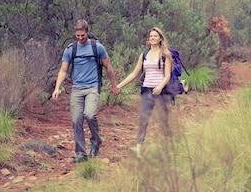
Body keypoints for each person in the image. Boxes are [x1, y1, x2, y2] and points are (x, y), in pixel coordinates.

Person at [52, 20, 119, 163]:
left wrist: (114, 86)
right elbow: (63, 70)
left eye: (82, 35)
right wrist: (57, 88)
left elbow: (108, 68)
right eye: (77, 35)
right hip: (77, 89)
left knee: (89, 114)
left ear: (87, 32)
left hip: (92, 87)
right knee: (76, 120)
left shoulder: (97, 47)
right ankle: (81, 154)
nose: (80, 38)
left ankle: (96, 142)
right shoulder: (71, 49)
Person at [116, 27, 173, 158]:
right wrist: (119, 86)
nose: (152, 38)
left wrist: (160, 86)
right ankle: (138, 149)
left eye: (155, 36)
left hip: (161, 92)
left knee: (163, 120)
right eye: (151, 36)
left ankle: (169, 147)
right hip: (147, 91)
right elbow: (134, 74)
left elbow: (167, 75)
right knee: (143, 120)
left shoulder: (166, 55)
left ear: (160, 38)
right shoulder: (144, 55)